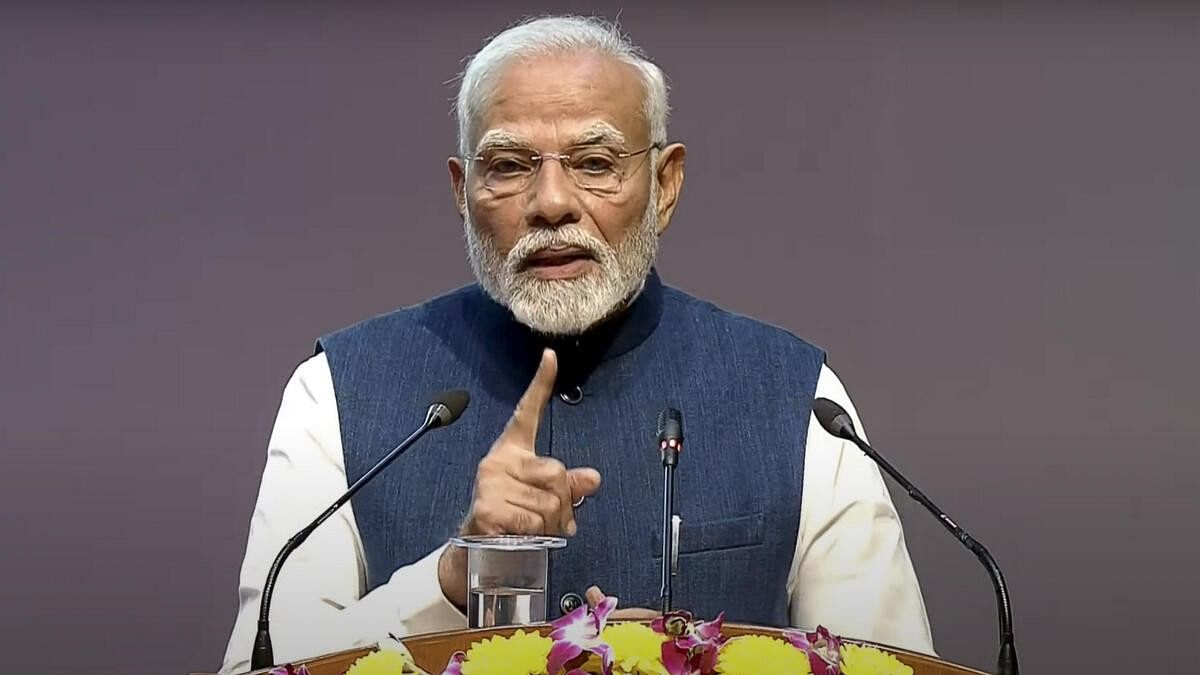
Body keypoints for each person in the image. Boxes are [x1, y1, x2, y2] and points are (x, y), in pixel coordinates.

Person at [220, 15, 933, 673]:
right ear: (462, 190)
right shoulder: (337, 389)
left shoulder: (796, 395)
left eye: (594, 162)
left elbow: (886, 663)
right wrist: (449, 579)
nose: (552, 202)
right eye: (508, 166)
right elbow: (268, 663)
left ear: (664, 183)